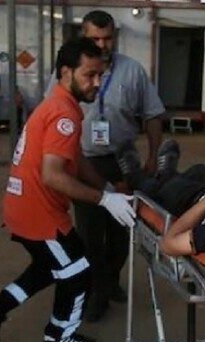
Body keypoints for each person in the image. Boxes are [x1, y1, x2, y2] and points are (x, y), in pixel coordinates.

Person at [0, 38, 136, 342]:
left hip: (24, 206)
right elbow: (53, 175)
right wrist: (104, 200)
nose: (96, 83)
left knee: (49, 266)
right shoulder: (64, 115)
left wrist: (107, 187)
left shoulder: (58, 104)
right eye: (89, 75)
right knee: (78, 270)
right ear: (66, 72)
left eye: (100, 75)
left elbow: (77, 159)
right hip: (40, 214)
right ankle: (58, 335)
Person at [68, 10, 167, 321]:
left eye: (107, 38)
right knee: (89, 233)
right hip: (84, 162)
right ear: (83, 37)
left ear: (115, 37)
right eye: (94, 38)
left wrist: (153, 155)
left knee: (121, 232)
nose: (102, 44)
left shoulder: (132, 71)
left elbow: (152, 114)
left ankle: (110, 281)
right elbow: (53, 108)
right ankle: (96, 294)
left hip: (122, 163)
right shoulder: (71, 70)